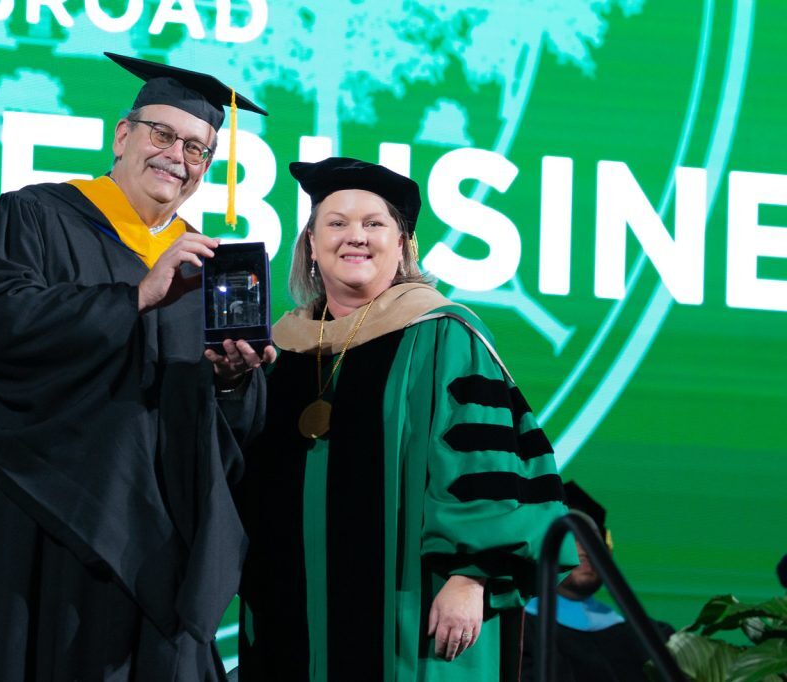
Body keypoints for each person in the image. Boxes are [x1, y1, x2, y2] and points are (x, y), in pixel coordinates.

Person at [0, 53, 273, 681]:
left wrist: (234, 380)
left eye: (198, 149)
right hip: (29, 515)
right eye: (163, 134)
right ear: (123, 135)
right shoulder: (34, 216)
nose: (178, 155)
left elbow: (227, 435)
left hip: (149, 539)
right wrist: (137, 297)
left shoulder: (204, 269)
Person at [235, 157, 576, 682]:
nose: (356, 236)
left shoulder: (443, 335)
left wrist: (471, 576)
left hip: (412, 615)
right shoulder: (280, 349)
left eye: (374, 224)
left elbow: (491, 465)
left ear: (403, 246)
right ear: (309, 245)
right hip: (287, 610)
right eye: (337, 222)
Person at [522, 481, 675, 681]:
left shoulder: (648, 638)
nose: (584, 548)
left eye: (592, 537)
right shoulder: (518, 633)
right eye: (570, 537)